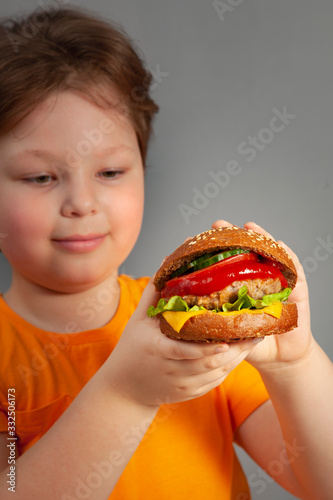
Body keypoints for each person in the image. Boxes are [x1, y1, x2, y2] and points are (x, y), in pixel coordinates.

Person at [0, 6, 332, 500]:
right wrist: (128, 393)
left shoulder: (204, 332)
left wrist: (295, 364)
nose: (82, 204)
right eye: (40, 177)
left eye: (110, 172)